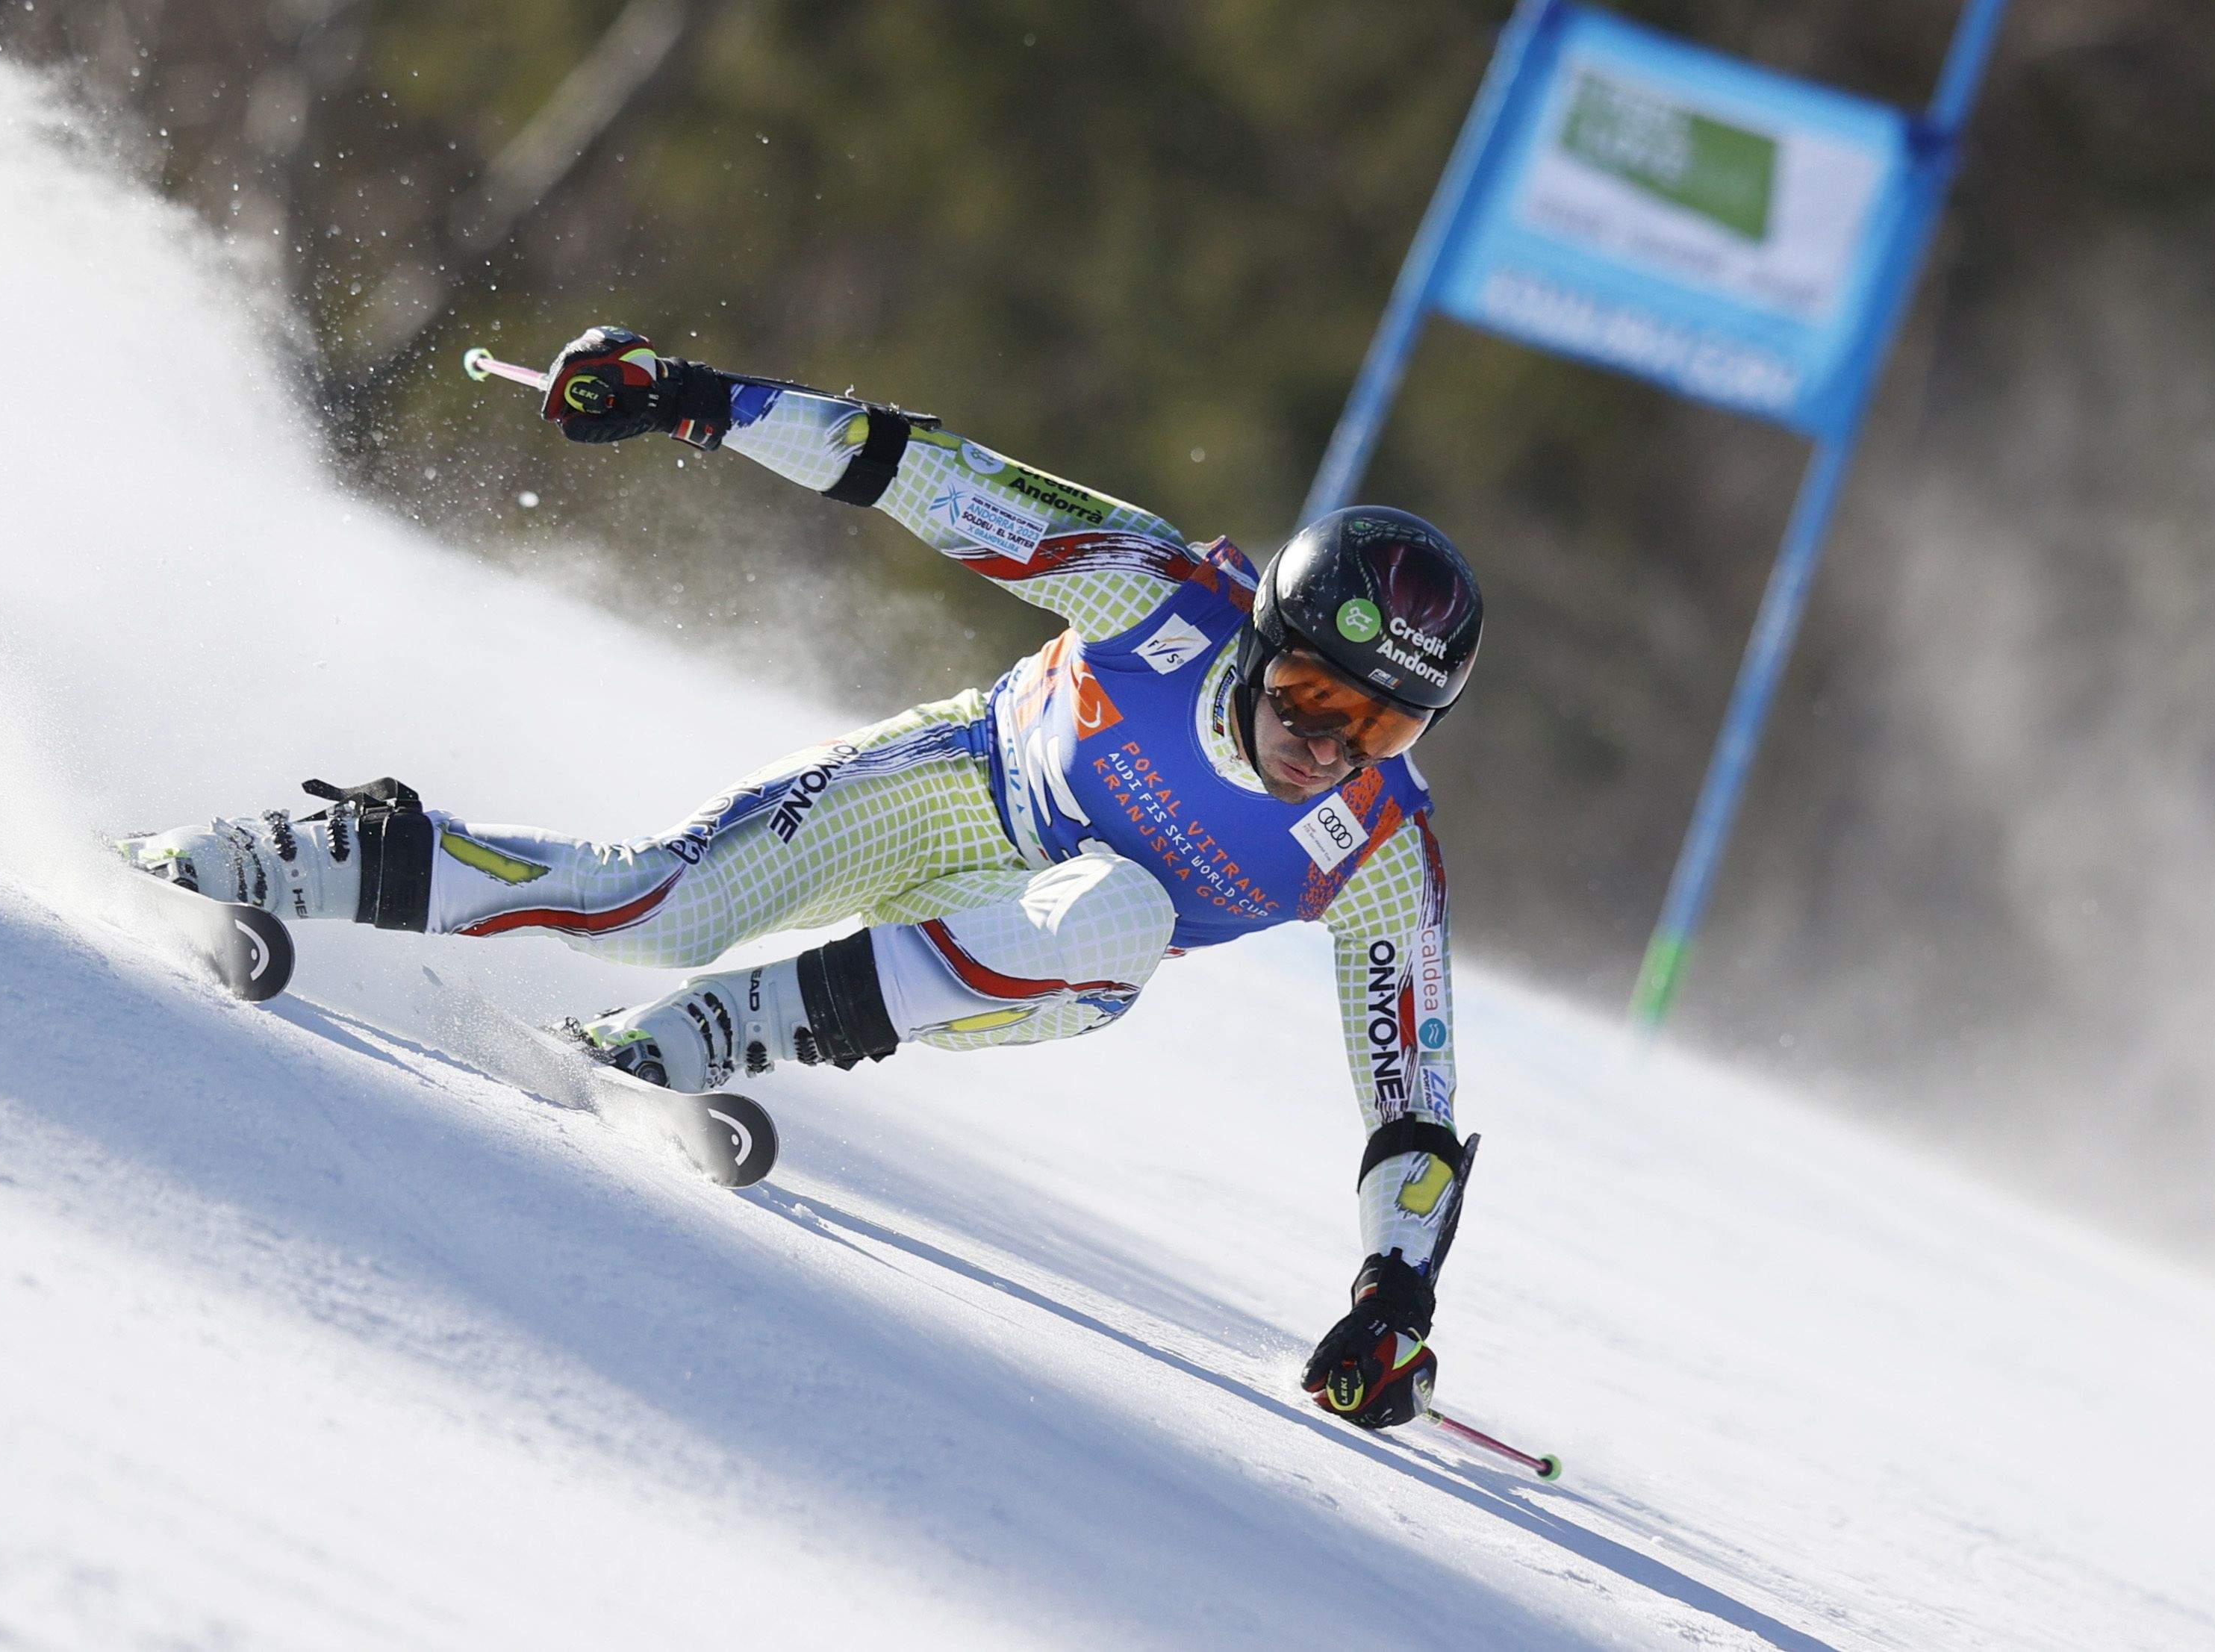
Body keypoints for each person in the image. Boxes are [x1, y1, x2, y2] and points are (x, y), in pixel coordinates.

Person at [122, 325, 1486, 1433]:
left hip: (1058, 960)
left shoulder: (1379, 846)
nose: (1329, 745)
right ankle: (278, 858)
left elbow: (1410, 1093)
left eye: (1383, 726)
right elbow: (925, 472)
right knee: (659, 904)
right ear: (1263, 639)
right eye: (1313, 694)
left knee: (1118, 913)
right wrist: (694, 400)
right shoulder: (1158, 594)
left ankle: (684, 1046)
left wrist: (1392, 1296)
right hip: (959, 785)